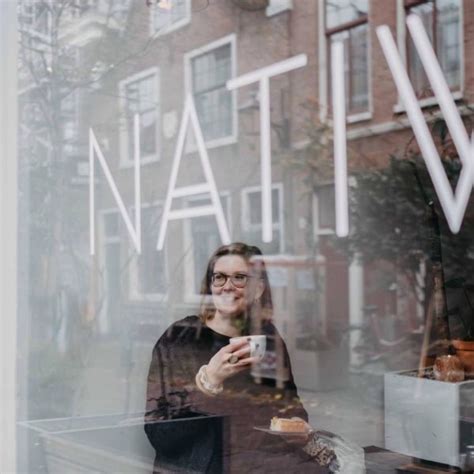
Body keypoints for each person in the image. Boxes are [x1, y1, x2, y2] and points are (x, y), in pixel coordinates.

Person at [144, 242, 327, 473]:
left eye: (239, 277)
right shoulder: (179, 339)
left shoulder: (267, 339)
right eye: (219, 277)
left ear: (258, 289)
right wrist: (208, 383)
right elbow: (160, 436)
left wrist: (297, 427)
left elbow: (288, 407)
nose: (227, 286)